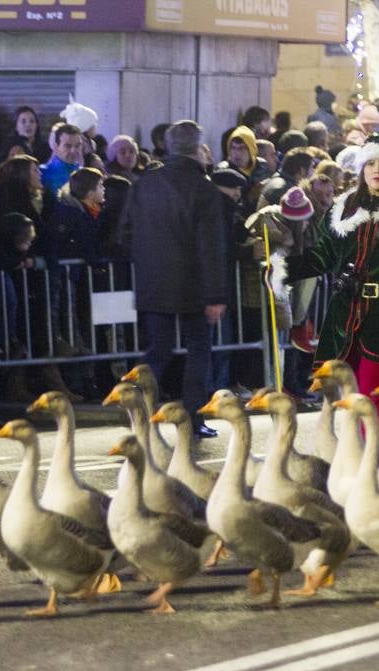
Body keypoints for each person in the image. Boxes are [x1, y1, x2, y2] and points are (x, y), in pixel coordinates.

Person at [280, 134, 379, 440]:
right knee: (348, 390)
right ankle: (356, 452)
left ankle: (378, 445)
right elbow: (322, 256)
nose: (376, 170)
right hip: (346, 310)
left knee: (373, 388)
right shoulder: (344, 209)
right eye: (370, 163)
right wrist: (282, 268)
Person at [119, 119, 231, 438]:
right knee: (198, 350)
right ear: (197, 148)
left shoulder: (143, 184)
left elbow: (125, 232)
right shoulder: (205, 190)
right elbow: (211, 246)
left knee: (156, 351)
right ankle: (193, 416)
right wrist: (216, 294)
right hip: (193, 285)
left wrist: (147, 261)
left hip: (153, 282)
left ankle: (138, 413)